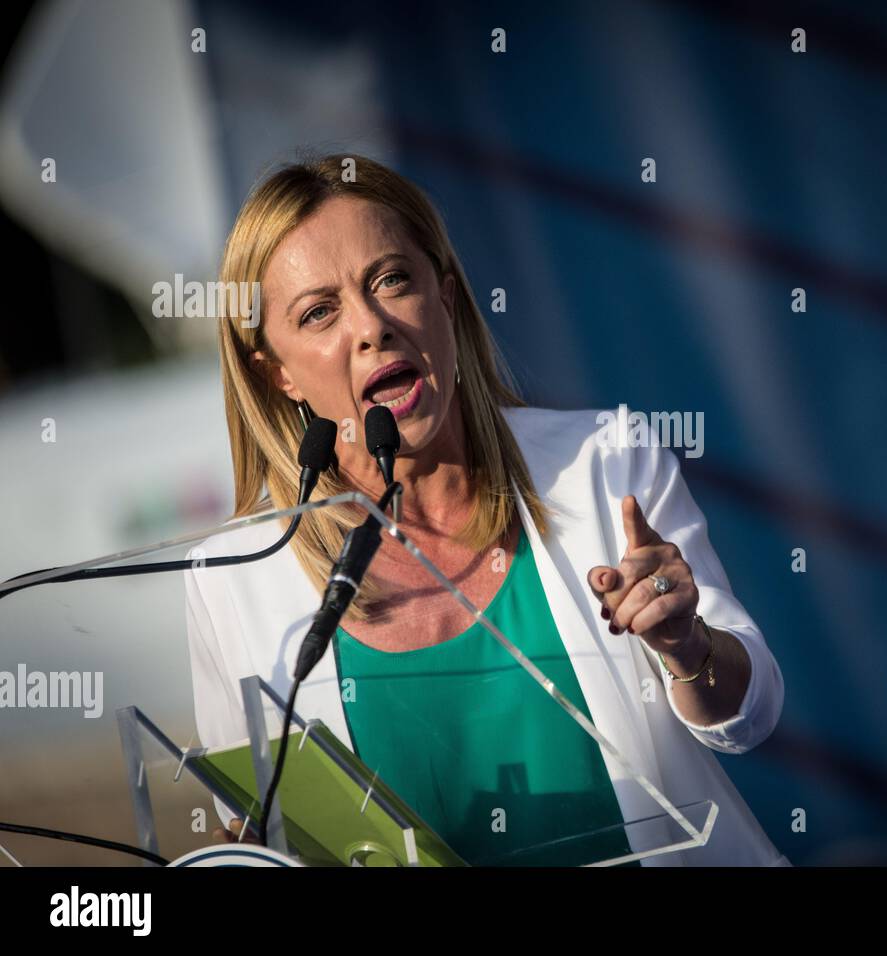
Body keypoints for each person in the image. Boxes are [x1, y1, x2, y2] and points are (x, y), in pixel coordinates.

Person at [184, 154, 788, 866]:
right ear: (277, 372)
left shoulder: (603, 462)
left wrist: (687, 647)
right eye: (319, 312)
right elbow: (256, 834)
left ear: (444, 297)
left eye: (391, 280)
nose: (372, 326)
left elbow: (748, 718)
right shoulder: (232, 577)